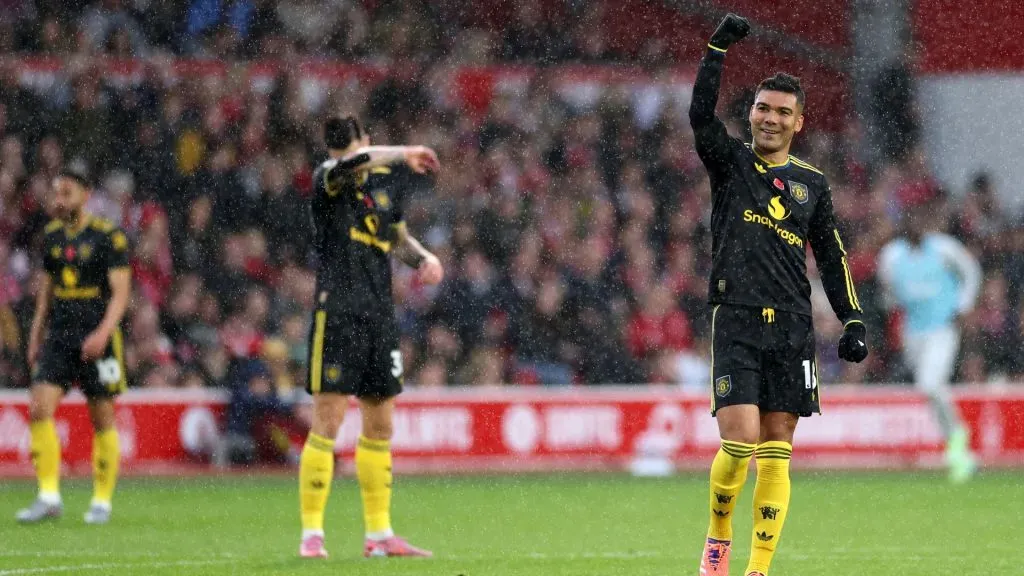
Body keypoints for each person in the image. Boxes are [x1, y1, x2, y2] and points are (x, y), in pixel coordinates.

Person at [689, 14, 869, 576]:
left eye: (782, 112)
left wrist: (852, 319)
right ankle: (718, 535)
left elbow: (832, 254)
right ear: (752, 114)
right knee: (739, 442)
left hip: (792, 324)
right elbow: (699, 116)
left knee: (778, 448)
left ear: (799, 123)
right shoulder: (730, 161)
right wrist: (717, 49)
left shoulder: (812, 184)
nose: (770, 118)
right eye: (763, 108)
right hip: (737, 318)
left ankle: (758, 568)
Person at [298, 116, 443, 559]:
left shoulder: (384, 187)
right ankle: (312, 535)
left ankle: (379, 536)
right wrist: (403, 152)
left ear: (367, 139)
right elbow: (352, 163)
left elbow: (395, 236)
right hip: (338, 312)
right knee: (328, 420)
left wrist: (423, 259)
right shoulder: (329, 178)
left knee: (381, 424)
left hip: (379, 314)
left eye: (353, 143)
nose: (347, 153)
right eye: (339, 147)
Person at [16, 168, 132, 525]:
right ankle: (48, 496)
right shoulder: (51, 237)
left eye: (66, 193)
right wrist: (36, 336)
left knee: (102, 419)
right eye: (56, 194)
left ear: (86, 194)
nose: (59, 200)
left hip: (97, 336)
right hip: (60, 336)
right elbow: (46, 294)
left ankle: (101, 500)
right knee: (38, 408)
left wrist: (102, 332)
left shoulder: (108, 237)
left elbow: (121, 294)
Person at [878, 195, 981, 482]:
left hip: (942, 328)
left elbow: (971, 272)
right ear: (904, 226)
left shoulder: (945, 249)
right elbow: (888, 293)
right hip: (914, 332)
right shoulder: (891, 255)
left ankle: (959, 437)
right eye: (912, 221)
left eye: (923, 221)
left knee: (930, 384)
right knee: (930, 391)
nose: (919, 226)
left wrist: (963, 306)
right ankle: (959, 452)